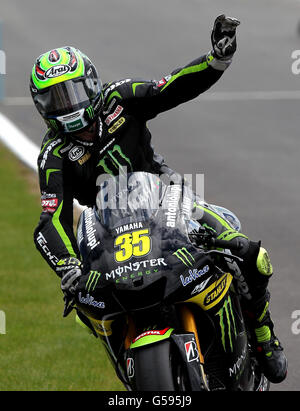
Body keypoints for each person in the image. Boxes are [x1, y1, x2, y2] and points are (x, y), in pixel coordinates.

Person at [30, 15, 287, 383]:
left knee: (247, 252)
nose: (66, 105)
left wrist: (216, 59)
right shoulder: (53, 153)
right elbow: (49, 221)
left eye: (72, 92)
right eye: (55, 98)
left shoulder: (121, 97)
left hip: (166, 197)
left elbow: (172, 87)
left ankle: (264, 335)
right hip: (107, 223)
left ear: (92, 84)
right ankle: (127, 353)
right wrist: (68, 266)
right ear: (42, 106)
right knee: (88, 296)